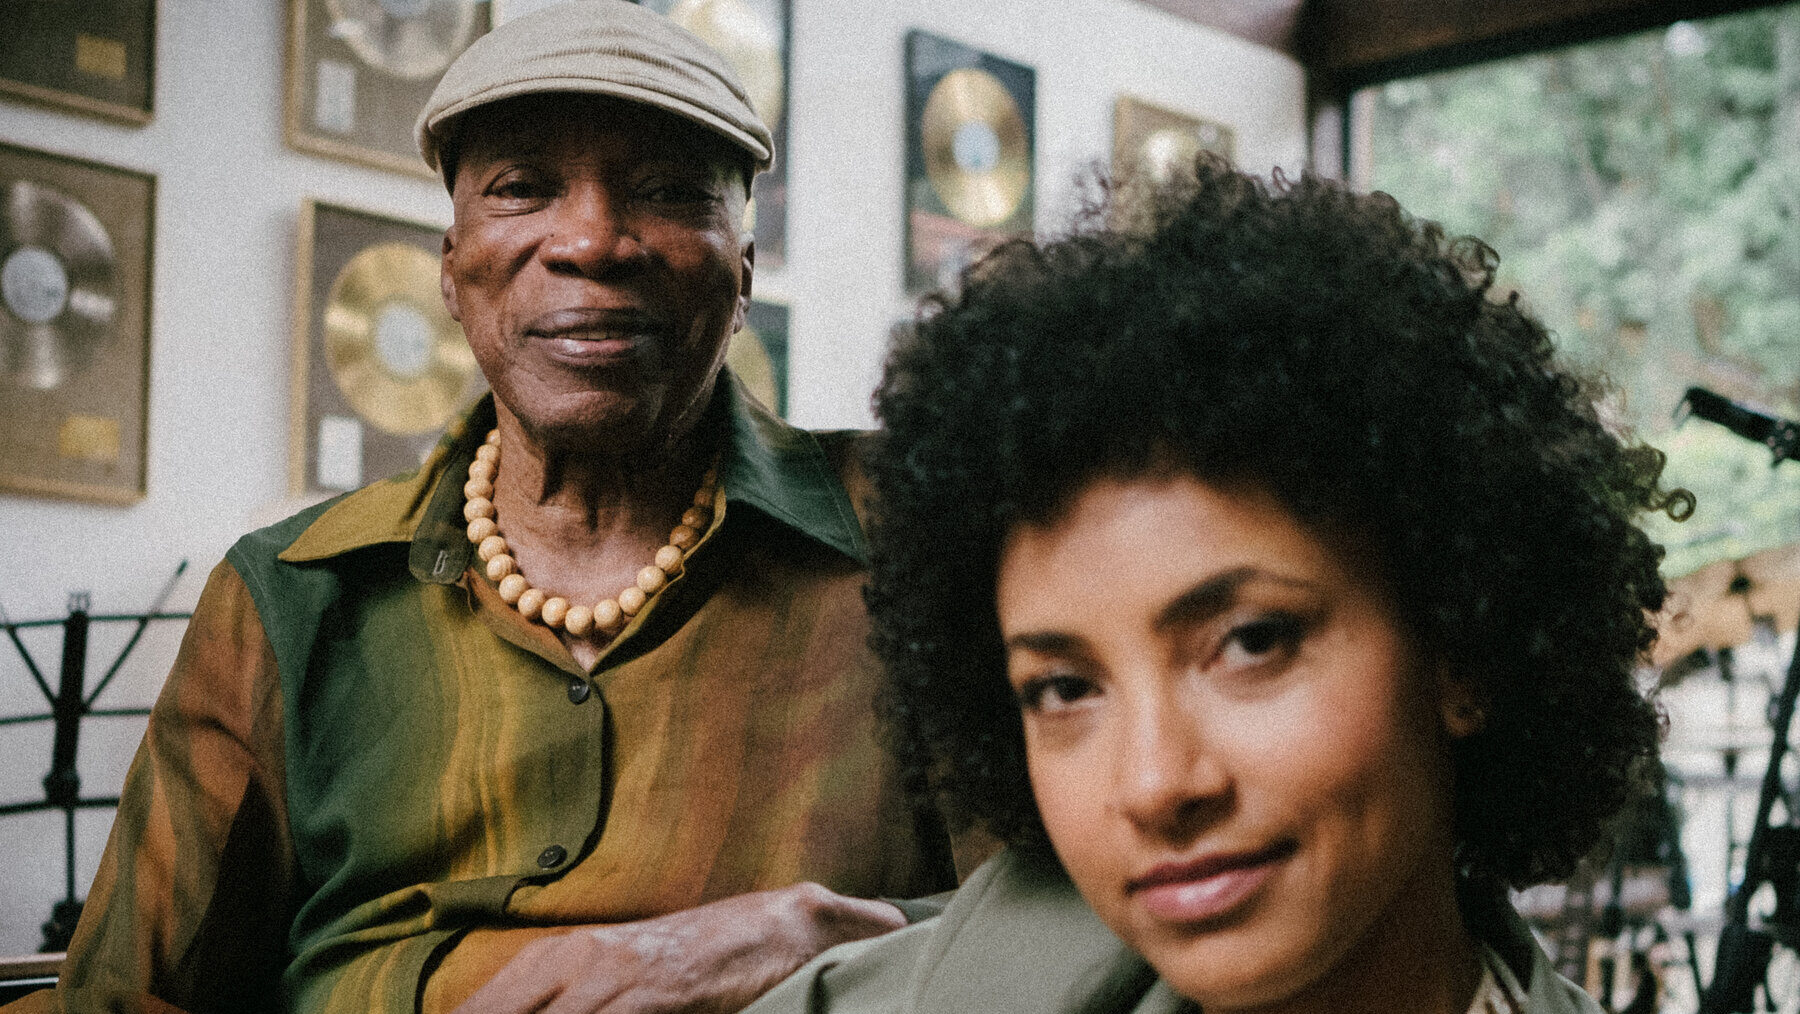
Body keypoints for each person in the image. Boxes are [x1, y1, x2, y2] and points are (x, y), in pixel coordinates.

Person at [9, 4, 956, 1013]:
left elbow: (1095, 914)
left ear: (743, 272)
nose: (591, 240)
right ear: (454, 270)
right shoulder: (291, 598)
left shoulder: (922, 537)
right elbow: (119, 997)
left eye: (670, 191)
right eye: (523, 187)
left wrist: (821, 942)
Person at [745, 160, 1693, 1014]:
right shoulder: (978, 978)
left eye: (1252, 641)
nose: (1156, 784)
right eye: (1064, 688)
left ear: (1463, 651)